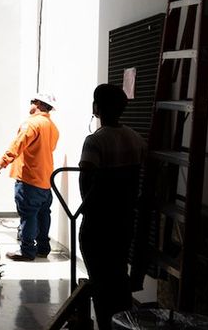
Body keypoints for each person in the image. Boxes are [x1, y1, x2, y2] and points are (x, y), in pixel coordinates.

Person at [78, 84, 146, 329]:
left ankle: (106, 324)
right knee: (118, 276)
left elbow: (86, 179)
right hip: (124, 220)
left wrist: (86, 208)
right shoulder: (136, 138)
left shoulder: (95, 141)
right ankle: (123, 324)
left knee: (100, 280)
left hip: (98, 222)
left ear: (97, 107)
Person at [0, 93, 59, 261]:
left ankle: (27, 251)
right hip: (46, 179)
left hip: (29, 178)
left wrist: (1, 162)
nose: (31, 105)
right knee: (44, 215)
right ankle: (43, 248)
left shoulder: (31, 124)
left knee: (28, 215)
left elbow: (17, 145)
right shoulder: (52, 127)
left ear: (39, 104)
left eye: (32, 102)